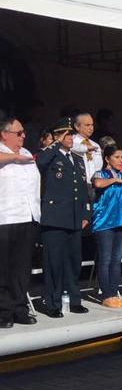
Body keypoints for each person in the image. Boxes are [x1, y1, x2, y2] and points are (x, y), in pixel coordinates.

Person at [36, 118, 91, 318]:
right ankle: (52, 303)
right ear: (58, 136)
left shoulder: (77, 158)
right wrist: (55, 143)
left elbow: (82, 189)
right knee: (54, 263)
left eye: (71, 135)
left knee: (74, 262)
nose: (69, 138)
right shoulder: (50, 155)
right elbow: (40, 162)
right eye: (65, 135)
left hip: (74, 218)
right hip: (55, 218)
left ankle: (74, 300)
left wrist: (85, 213)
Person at [0, 116, 41, 327]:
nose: (23, 136)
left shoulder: (26, 152)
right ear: (4, 134)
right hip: (5, 217)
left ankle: (20, 309)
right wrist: (14, 158)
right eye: (18, 133)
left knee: (21, 268)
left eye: (23, 132)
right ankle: (4, 312)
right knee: (3, 268)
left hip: (27, 216)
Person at [91, 146, 122, 308]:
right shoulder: (100, 174)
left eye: (121, 157)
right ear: (107, 159)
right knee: (106, 259)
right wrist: (113, 180)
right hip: (105, 223)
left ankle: (114, 293)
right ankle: (106, 294)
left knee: (117, 260)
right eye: (116, 157)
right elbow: (97, 184)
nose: (120, 160)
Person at [70, 112, 103, 187]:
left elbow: (98, 167)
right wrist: (85, 148)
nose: (91, 128)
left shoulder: (95, 145)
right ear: (77, 126)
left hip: (92, 185)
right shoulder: (71, 141)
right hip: (76, 185)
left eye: (92, 125)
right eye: (87, 125)